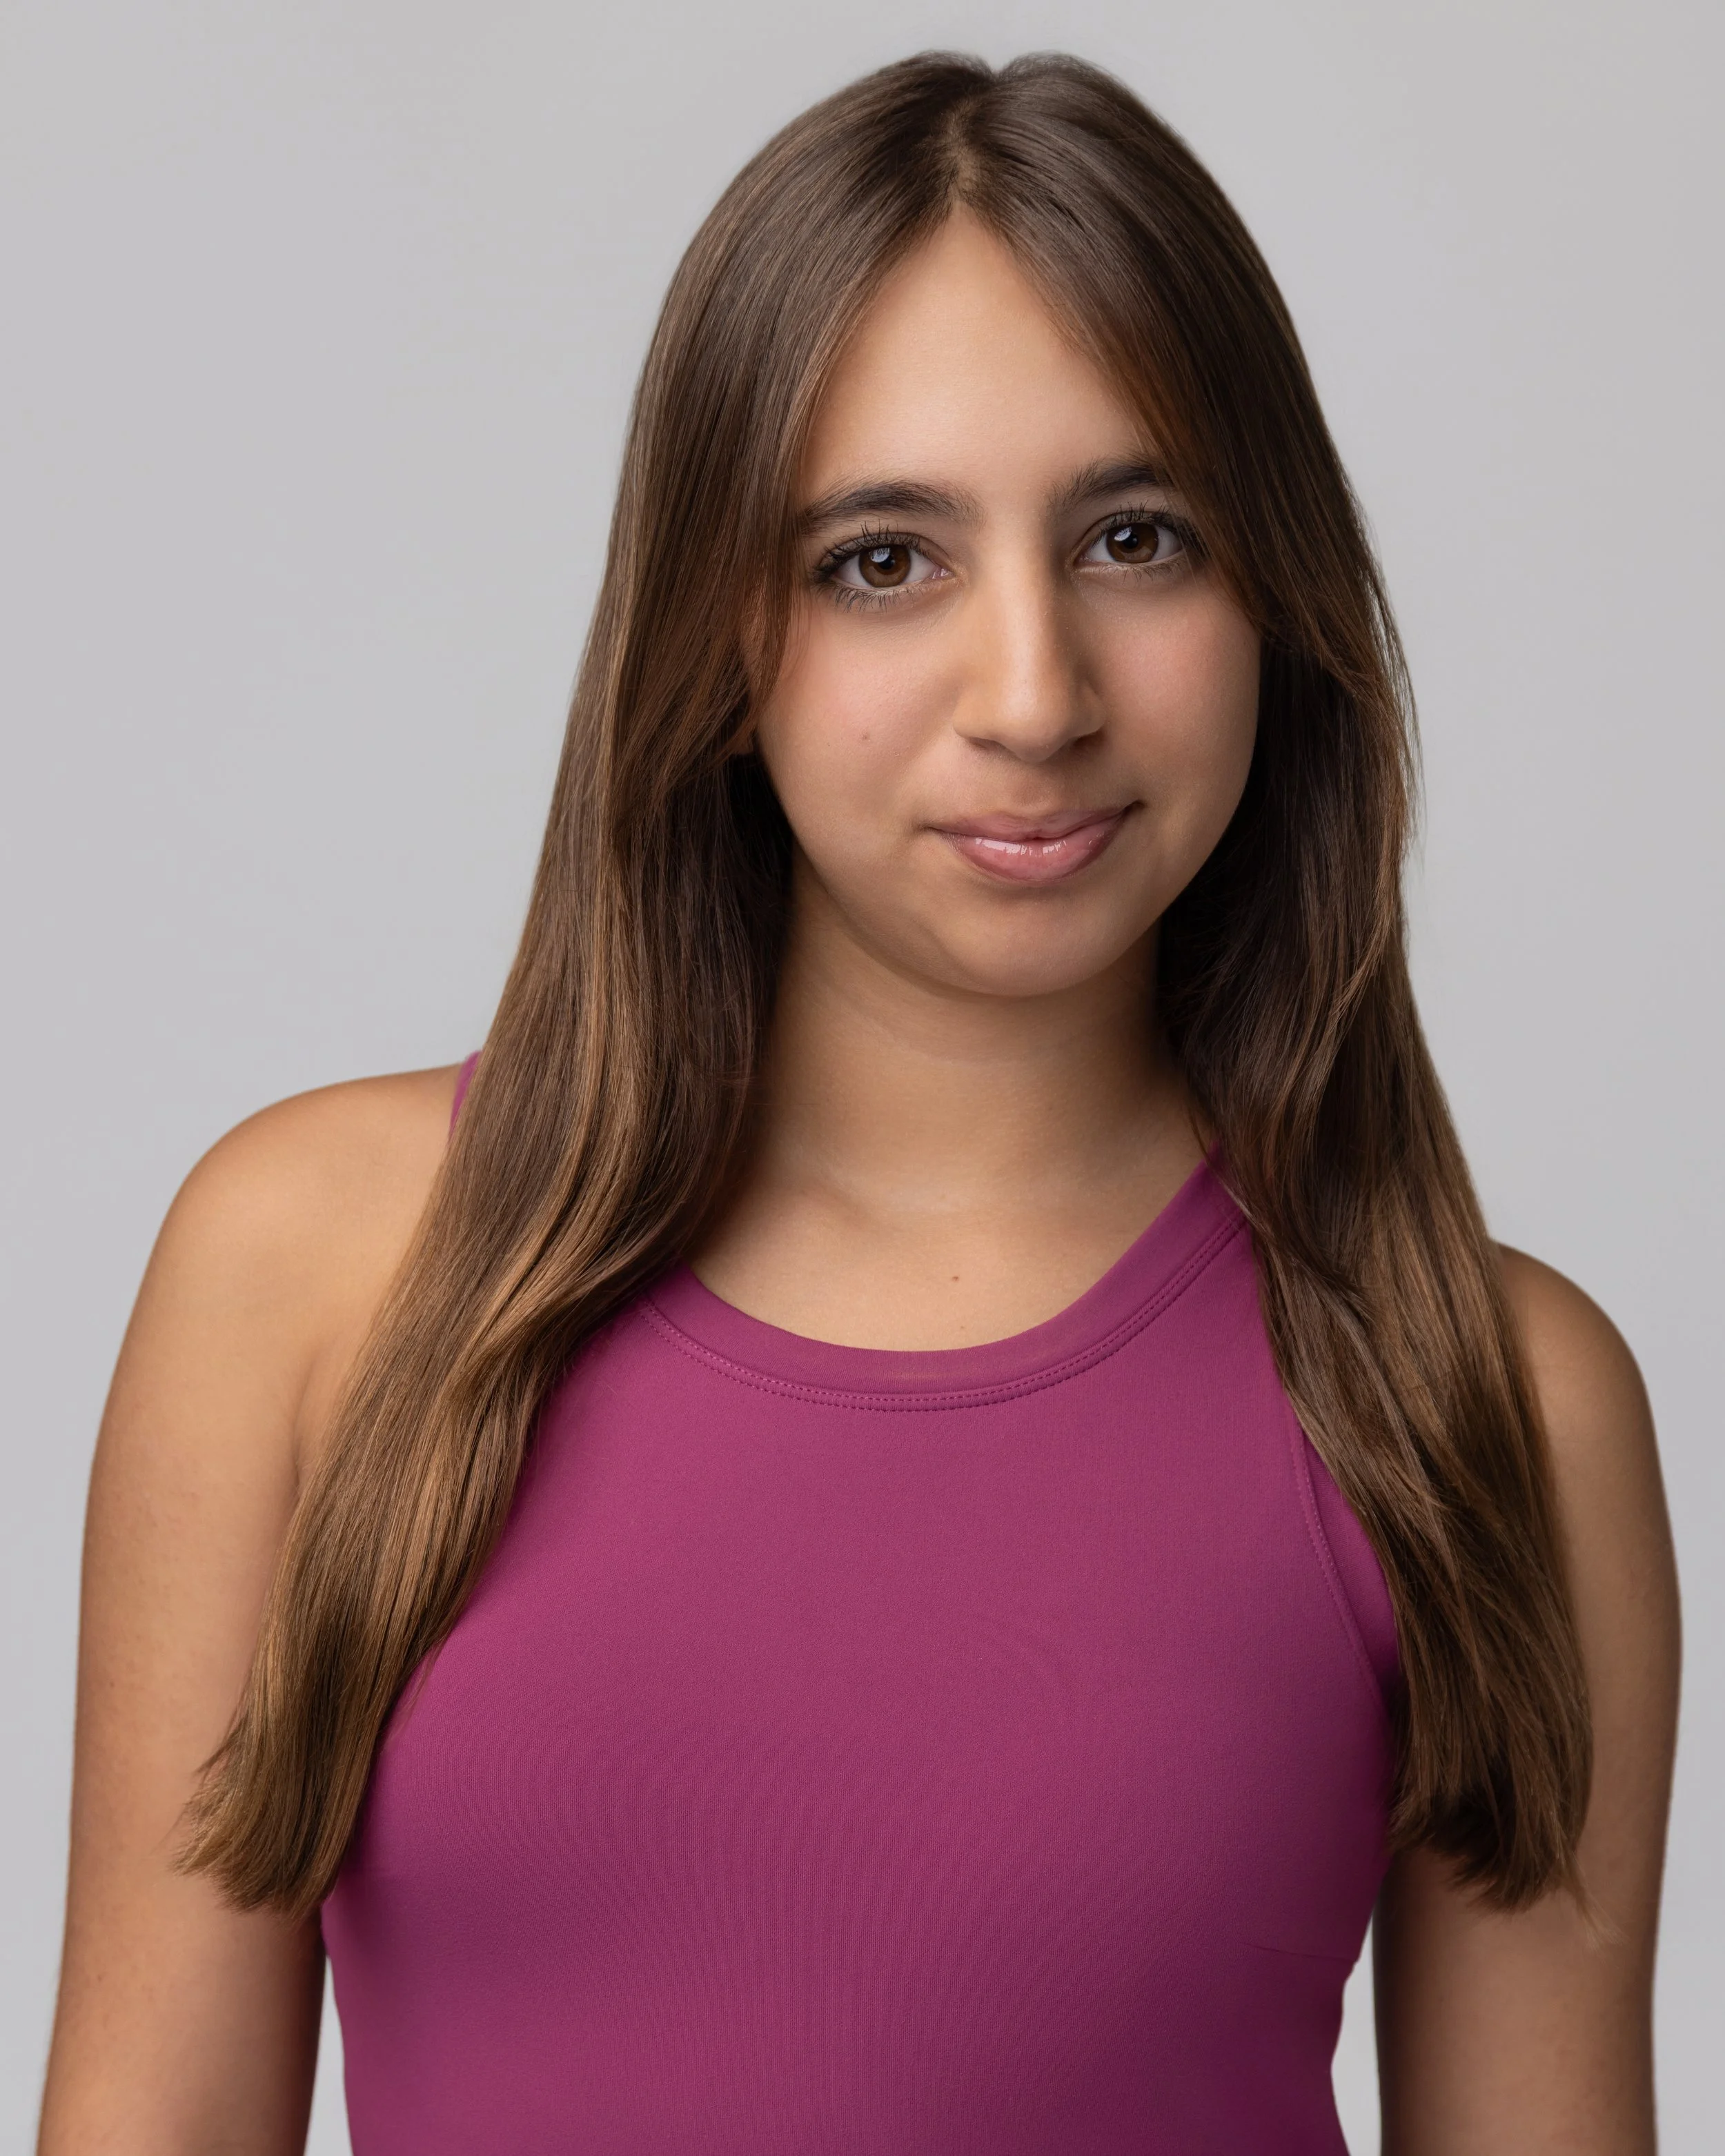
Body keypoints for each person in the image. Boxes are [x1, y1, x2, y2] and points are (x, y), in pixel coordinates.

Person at [39, 51, 1679, 2156]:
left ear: (1273, 593)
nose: (1034, 694)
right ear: (720, 630)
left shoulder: (1485, 1399)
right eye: (883, 559)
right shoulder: (316, 1276)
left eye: (1137, 538)